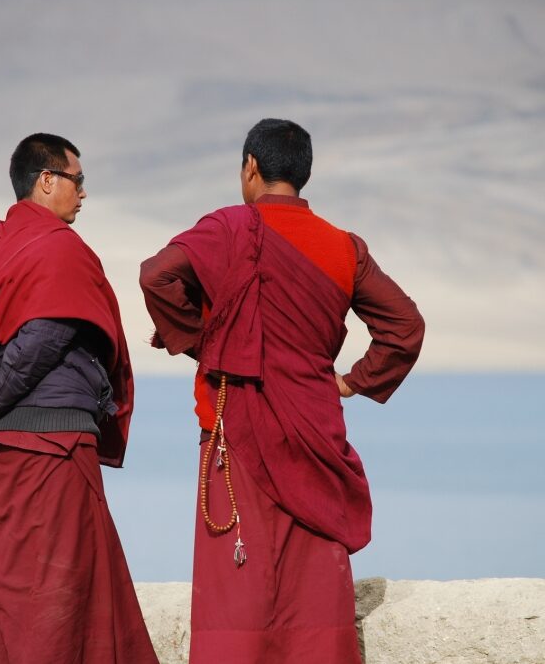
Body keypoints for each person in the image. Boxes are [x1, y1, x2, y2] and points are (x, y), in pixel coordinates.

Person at [140, 118, 425, 664]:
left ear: (250, 167)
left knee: (237, 589)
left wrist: (208, 344)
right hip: (314, 434)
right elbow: (405, 326)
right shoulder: (343, 246)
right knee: (311, 583)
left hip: (234, 429)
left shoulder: (228, 227)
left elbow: (156, 276)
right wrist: (352, 381)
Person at [0, 133, 159, 664]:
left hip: (5, 455)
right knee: (56, 605)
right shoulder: (61, 247)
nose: (83, 194)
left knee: (11, 600)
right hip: (54, 451)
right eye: (77, 181)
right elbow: (45, 337)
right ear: (46, 180)